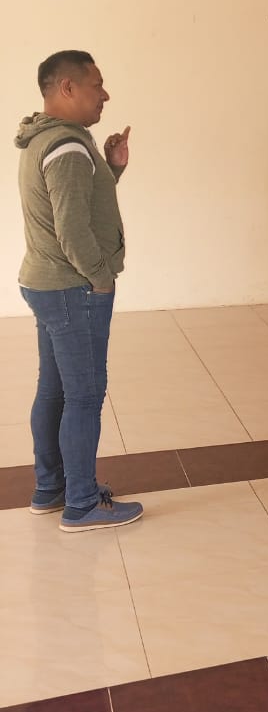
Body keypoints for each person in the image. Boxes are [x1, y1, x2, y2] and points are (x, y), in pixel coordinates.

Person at [16, 50, 144, 532]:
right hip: (73, 288)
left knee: (55, 390)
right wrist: (101, 278)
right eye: (96, 84)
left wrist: (112, 167)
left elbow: (75, 205)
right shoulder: (67, 146)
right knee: (85, 396)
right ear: (67, 88)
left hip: (47, 283)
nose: (105, 94)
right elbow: (71, 228)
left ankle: (51, 489)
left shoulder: (48, 138)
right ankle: (83, 503)